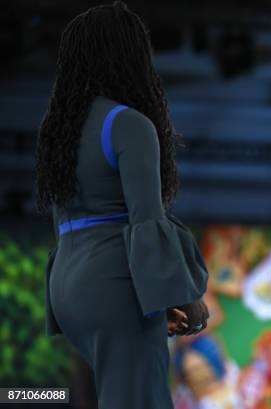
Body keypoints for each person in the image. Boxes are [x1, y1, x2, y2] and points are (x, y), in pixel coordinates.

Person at [35, 2, 208, 408]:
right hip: (115, 280)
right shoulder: (129, 123)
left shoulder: (59, 131)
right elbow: (146, 220)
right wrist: (182, 298)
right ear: (133, 56)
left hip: (68, 287)